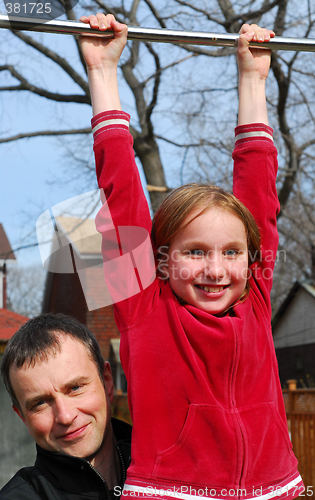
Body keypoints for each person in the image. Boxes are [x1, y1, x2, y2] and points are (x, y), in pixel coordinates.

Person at [80, 15, 304, 500]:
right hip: (174, 492)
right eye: (195, 252)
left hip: (277, 490)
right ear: (160, 260)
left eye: (231, 252)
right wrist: (102, 72)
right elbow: (121, 199)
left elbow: (260, 195)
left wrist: (253, 78)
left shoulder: (256, 299)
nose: (216, 269)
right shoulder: (144, 307)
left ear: (252, 261)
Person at [0, 313, 131, 499]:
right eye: (40, 403)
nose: (66, 416)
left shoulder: (176, 472)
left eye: (75, 388)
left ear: (107, 382)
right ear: (22, 417)